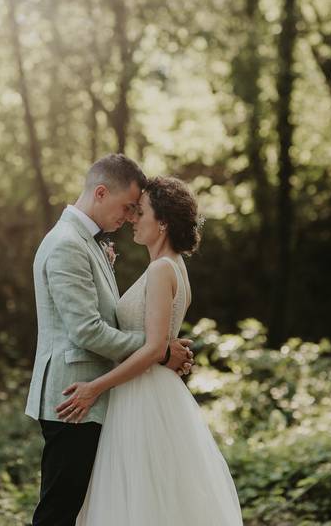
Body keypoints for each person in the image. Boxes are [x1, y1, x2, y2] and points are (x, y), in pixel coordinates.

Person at [57, 176, 243, 526]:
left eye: (140, 212)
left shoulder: (161, 270)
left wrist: (95, 387)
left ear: (162, 224)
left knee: (138, 495)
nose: (132, 219)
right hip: (152, 390)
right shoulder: (175, 268)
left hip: (142, 394)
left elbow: (154, 348)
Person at [25, 154, 194, 526]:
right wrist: (160, 350)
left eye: (138, 210)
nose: (131, 217)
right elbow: (86, 331)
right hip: (74, 396)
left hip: (95, 397)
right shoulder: (68, 243)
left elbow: (102, 313)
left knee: (86, 507)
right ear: (101, 192)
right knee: (59, 511)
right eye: (128, 207)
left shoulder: (91, 242)